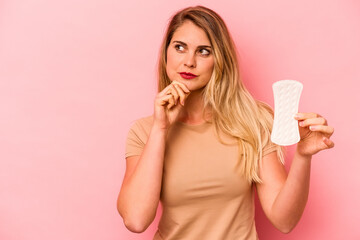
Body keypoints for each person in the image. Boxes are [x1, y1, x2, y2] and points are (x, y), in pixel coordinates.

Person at [117, 5, 334, 240]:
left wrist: (303, 155)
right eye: (180, 47)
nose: (189, 61)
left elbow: (284, 221)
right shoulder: (144, 131)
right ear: (166, 53)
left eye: (203, 51)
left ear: (219, 59)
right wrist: (160, 129)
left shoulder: (253, 122)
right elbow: (136, 220)